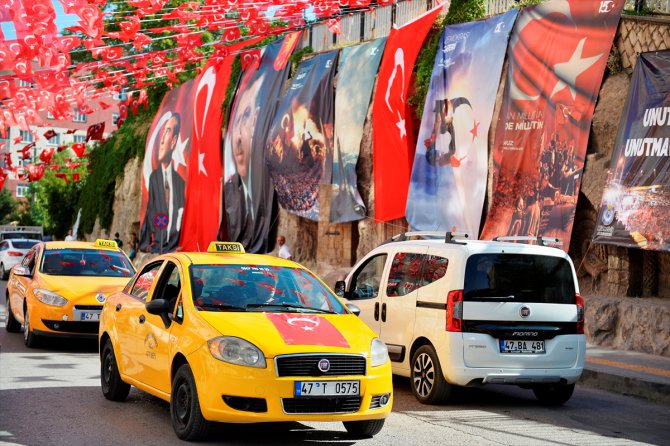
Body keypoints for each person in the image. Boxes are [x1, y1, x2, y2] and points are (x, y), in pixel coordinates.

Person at [140, 112, 186, 253]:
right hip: (157, 245)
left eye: (168, 131)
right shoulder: (154, 178)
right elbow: (150, 211)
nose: (161, 140)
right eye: (163, 132)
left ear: (173, 141)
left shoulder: (180, 182)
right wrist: (147, 242)